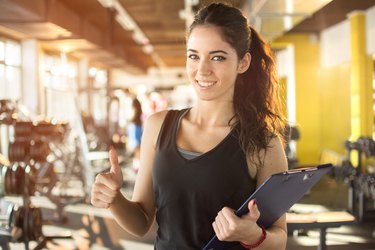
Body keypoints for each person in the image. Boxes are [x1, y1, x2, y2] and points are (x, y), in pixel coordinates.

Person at [91, 2, 288, 249]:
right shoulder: (158, 126)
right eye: (194, 56)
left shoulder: (263, 142)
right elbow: (141, 222)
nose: (202, 70)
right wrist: (114, 200)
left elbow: (279, 239)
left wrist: (251, 235)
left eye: (217, 57)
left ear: (243, 63)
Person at [126, 97, 143, 171]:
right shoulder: (136, 121)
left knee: (136, 167)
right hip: (135, 148)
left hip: (136, 149)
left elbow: (137, 140)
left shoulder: (137, 123)